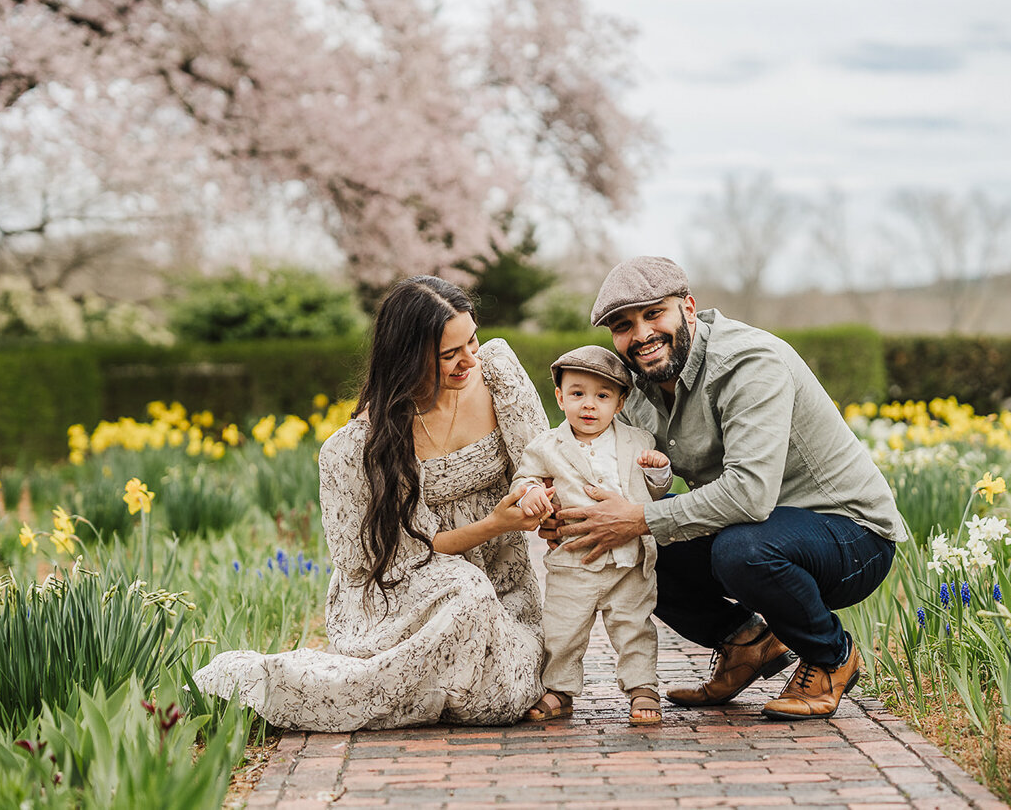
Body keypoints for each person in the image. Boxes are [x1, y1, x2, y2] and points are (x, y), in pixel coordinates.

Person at [545, 256, 909, 721]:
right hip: (760, 528)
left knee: (735, 549)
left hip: (850, 536)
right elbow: (610, 467)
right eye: (623, 325)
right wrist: (567, 511)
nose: (640, 334)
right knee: (639, 545)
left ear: (689, 308)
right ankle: (745, 644)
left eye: (654, 314)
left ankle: (830, 657)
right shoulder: (637, 383)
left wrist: (636, 518)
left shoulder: (749, 363)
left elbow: (750, 494)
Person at [193, 276, 551, 730]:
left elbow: (546, 461)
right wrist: (496, 524)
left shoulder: (497, 371)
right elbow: (390, 560)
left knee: (500, 698)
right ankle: (267, 684)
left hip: (503, 588)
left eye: (472, 340)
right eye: (449, 355)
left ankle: (421, 684)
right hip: (404, 597)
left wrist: (542, 502)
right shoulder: (361, 446)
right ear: (407, 359)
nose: (469, 360)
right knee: (465, 591)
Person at [511, 346, 672, 725]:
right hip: (574, 561)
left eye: (602, 396)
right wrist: (532, 491)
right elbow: (525, 477)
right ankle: (559, 689)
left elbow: (656, 493)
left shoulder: (639, 441)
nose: (589, 405)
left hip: (630, 562)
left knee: (635, 627)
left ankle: (642, 686)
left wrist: (660, 471)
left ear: (620, 403)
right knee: (562, 630)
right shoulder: (546, 445)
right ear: (560, 397)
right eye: (578, 393)